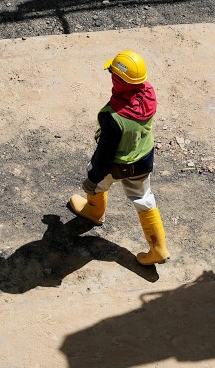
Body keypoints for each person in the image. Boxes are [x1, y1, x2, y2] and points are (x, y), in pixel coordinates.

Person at [68, 50, 169, 266]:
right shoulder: (147, 94)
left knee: (96, 183)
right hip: (143, 158)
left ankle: (94, 212)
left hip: (117, 165)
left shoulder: (113, 118)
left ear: (119, 79)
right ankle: (158, 249)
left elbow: (104, 155)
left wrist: (93, 177)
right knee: (144, 199)